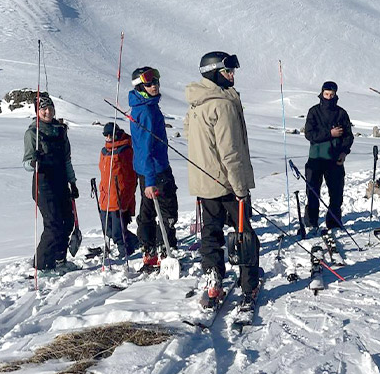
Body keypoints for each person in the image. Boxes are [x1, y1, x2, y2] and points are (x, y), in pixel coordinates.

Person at [184, 51, 259, 306]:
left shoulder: (196, 102)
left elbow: (189, 134)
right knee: (244, 235)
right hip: (226, 182)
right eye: (228, 71)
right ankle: (249, 285)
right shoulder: (223, 105)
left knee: (211, 232)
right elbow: (230, 152)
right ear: (214, 73)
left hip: (205, 183)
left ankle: (213, 278)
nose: (232, 75)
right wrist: (240, 189)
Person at [128, 66, 179, 271]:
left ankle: (149, 251)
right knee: (167, 211)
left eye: (156, 81)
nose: (154, 86)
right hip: (156, 171)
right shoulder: (147, 111)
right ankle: (164, 251)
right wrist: (150, 181)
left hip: (147, 170)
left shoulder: (144, 106)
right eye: (149, 83)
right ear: (140, 87)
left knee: (148, 210)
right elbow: (144, 148)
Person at [22, 93, 78, 273]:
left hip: (61, 181)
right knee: (53, 225)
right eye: (43, 109)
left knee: (67, 222)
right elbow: (26, 164)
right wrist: (33, 162)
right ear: (37, 111)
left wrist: (72, 182)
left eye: (50, 108)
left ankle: (60, 259)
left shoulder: (60, 130)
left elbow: (67, 160)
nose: (47, 112)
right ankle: (42, 265)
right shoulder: (33, 133)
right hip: (43, 185)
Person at [303, 81, 354, 232]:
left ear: (335, 95)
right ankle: (311, 223)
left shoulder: (341, 113)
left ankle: (334, 223)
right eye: (326, 94)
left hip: (335, 160)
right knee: (312, 192)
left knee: (336, 194)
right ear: (322, 93)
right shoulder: (314, 111)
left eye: (332, 95)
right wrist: (330, 133)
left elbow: (348, 136)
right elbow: (309, 134)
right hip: (316, 158)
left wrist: (344, 152)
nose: (329, 97)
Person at [98, 122, 140, 259]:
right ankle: (135, 242)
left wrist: (126, 200)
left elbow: (131, 178)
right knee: (108, 230)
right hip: (105, 197)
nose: (108, 138)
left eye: (110, 135)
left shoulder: (125, 150)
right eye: (105, 135)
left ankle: (126, 251)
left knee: (118, 231)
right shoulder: (104, 151)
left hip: (119, 197)